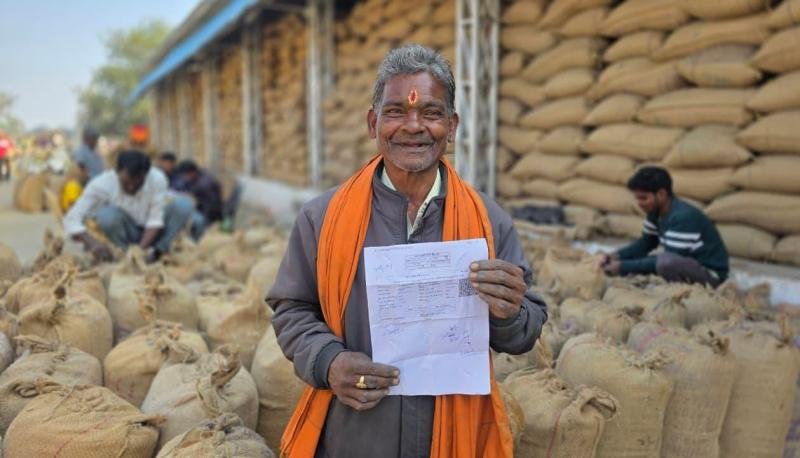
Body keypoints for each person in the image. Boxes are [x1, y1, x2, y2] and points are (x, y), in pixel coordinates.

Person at [267, 44, 547, 458]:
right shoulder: (322, 218)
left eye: (431, 113)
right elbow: (291, 309)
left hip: (453, 436)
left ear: (452, 126)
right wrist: (328, 362)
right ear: (373, 122)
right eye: (396, 111)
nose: (413, 126)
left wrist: (509, 312)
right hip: (354, 437)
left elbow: (525, 330)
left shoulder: (488, 222)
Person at [602, 166, 729, 287]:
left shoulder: (683, 217)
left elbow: (669, 259)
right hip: (687, 265)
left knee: (665, 263)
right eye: (637, 198)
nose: (639, 203)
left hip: (710, 274)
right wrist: (614, 256)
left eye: (644, 198)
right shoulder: (655, 212)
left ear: (661, 194)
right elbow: (645, 244)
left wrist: (622, 266)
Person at [63, 149, 195, 263]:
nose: (131, 188)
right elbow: (71, 219)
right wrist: (93, 243)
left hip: (153, 234)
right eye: (125, 183)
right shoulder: (102, 184)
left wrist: (140, 251)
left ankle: (158, 252)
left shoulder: (157, 179)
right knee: (106, 216)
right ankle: (125, 256)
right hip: (125, 233)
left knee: (184, 205)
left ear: (146, 175)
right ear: (117, 172)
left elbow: (155, 220)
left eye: (137, 183)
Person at [175, 159, 223, 240]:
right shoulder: (199, 176)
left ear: (192, 173)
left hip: (209, 215)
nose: (183, 178)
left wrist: (184, 195)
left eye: (184, 175)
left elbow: (191, 196)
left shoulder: (204, 183)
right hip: (204, 209)